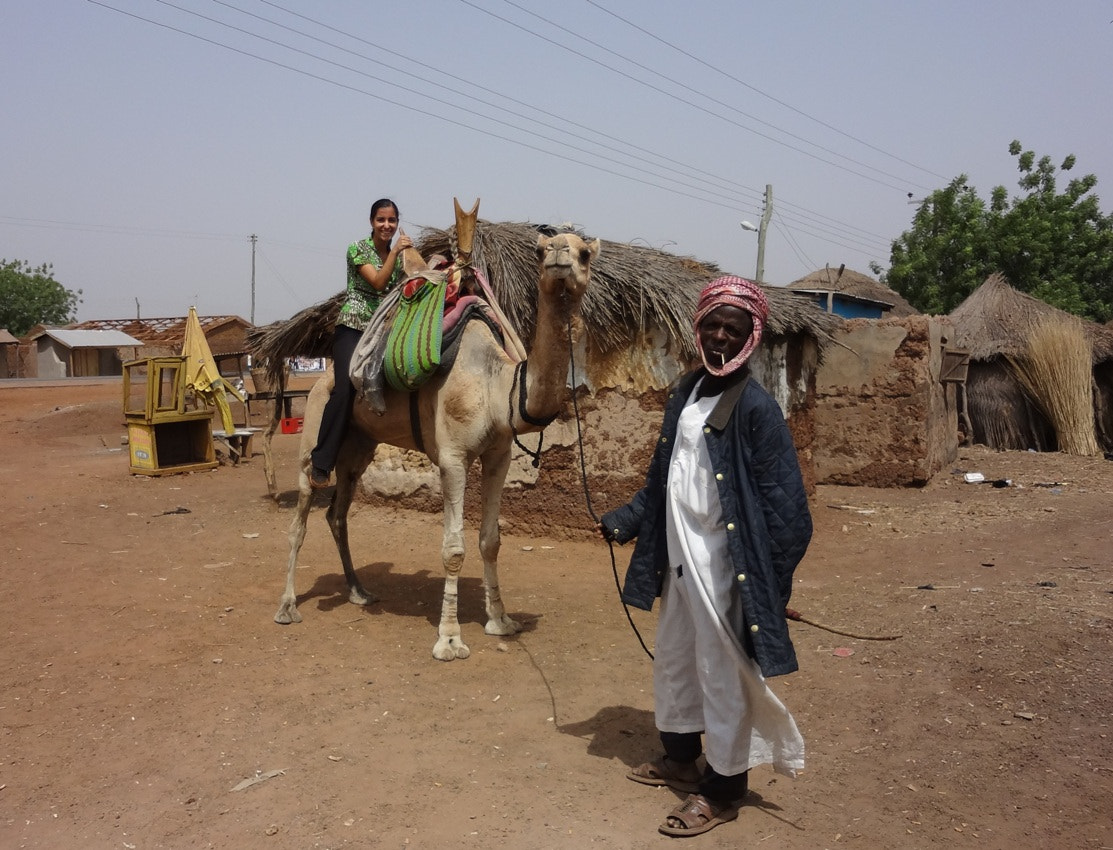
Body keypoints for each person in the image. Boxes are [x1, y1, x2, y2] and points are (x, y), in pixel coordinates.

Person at [595, 275, 812, 837]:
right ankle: (679, 757)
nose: (719, 336)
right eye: (711, 325)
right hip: (679, 560)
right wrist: (627, 519)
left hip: (725, 569)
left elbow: (790, 517)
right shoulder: (687, 391)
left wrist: (768, 588)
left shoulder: (758, 409)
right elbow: (665, 478)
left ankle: (723, 790)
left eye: (731, 329)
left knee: (721, 675)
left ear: (751, 337)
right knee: (673, 660)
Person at [310, 199, 413, 488]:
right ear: (371, 222)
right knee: (344, 388)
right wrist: (396, 252)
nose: (387, 225)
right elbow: (378, 282)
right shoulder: (358, 249)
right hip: (354, 327)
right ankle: (321, 462)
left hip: (385, 328)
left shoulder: (401, 255)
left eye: (392, 220)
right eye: (381, 220)